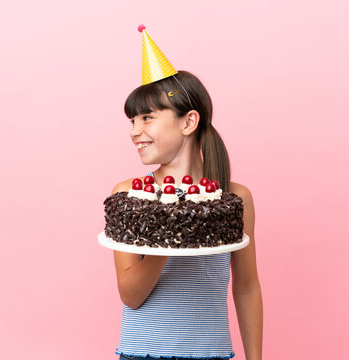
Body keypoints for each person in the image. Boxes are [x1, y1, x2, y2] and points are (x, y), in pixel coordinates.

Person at [110, 26, 262, 360]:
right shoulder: (130, 196)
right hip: (141, 354)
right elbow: (131, 295)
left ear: (188, 122)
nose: (135, 131)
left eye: (147, 117)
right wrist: (170, 233)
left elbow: (247, 286)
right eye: (132, 120)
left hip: (212, 353)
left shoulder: (233, 199)